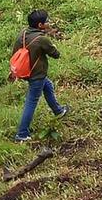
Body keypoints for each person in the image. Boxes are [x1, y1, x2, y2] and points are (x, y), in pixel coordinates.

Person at [12, 10, 67, 142]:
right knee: (31, 101)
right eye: (47, 21)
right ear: (40, 25)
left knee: (47, 85)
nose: (49, 23)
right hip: (36, 74)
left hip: (26, 72)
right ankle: (22, 133)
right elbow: (55, 54)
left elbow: (15, 51)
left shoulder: (24, 33)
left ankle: (58, 111)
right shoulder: (41, 39)